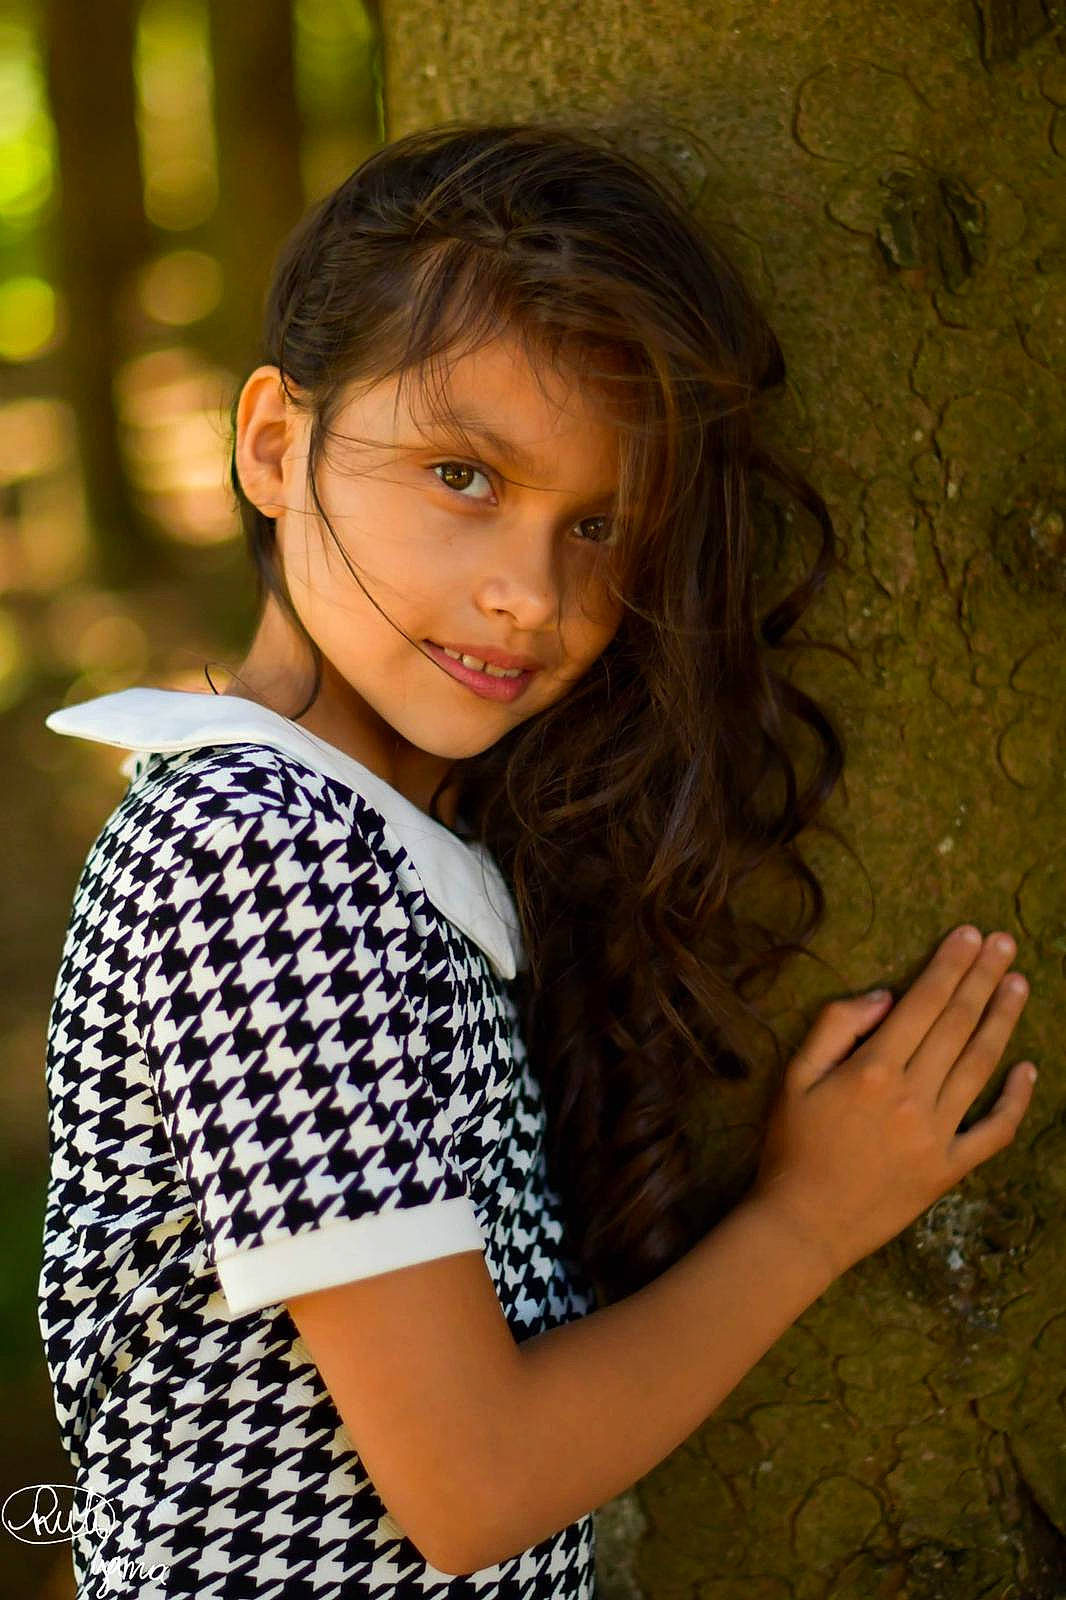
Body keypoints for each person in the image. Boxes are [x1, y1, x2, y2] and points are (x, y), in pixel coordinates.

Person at [38, 118, 1035, 1599]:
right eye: (460, 475)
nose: (526, 594)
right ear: (272, 443)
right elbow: (471, 1486)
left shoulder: (368, 849)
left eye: (599, 526)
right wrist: (811, 1219)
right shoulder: (263, 856)